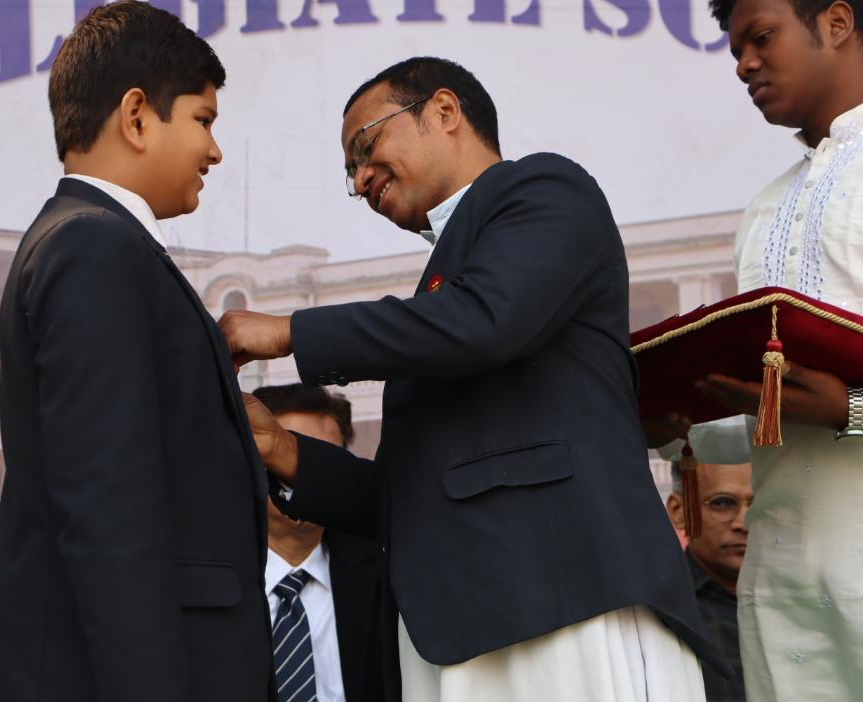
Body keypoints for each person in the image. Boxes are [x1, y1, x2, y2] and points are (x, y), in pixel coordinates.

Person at [223, 57, 724, 701]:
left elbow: (485, 320)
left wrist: (289, 332)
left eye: (366, 147)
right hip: (456, 634)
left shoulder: (546, 190)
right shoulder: (438, 297)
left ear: (443, 111)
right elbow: (409, 498)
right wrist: (278, 449)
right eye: (350, 172)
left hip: (567, 605)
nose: (361, 178)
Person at [0, 4, 275, 700]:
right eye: (203, 119)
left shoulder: (94, 241)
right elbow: (110, 515)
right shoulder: (93, 246)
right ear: (137, 117)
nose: (214, 151)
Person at [696, 0, 863, 697]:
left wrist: (851, 410)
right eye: (736, 50)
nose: (744, 65)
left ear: (836, 22)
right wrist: (676, 414)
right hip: (782, 574)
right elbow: (768, 410)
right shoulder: (764, 208)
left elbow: (836, 403)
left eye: (761, 38)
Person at [253, 383, 386, 702]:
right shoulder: (212, 582)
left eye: (325, 465)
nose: (306, 479)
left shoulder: (385, 575)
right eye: (287, 459)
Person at [667, 458, 753, 702]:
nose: (743, 523)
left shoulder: (810, 602)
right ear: (679, 511)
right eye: (722, 503)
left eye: (759, 504)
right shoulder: (661, 612)